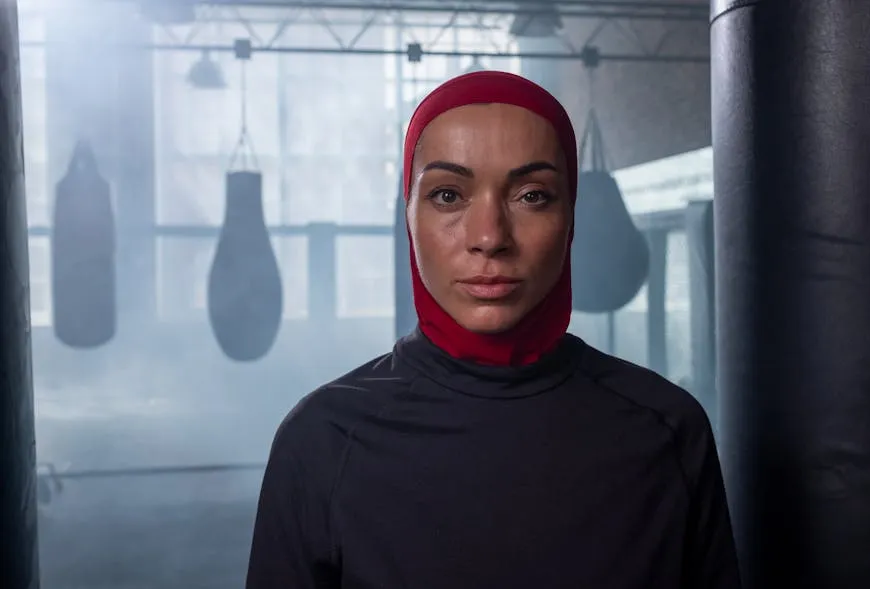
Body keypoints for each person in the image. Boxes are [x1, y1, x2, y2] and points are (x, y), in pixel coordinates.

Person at [245, 71, 740, 588]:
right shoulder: (323, 439)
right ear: (408, 217)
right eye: (447, 195)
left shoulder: (668, 428)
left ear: (571, 217)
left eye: (531, 195)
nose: (489, 237)